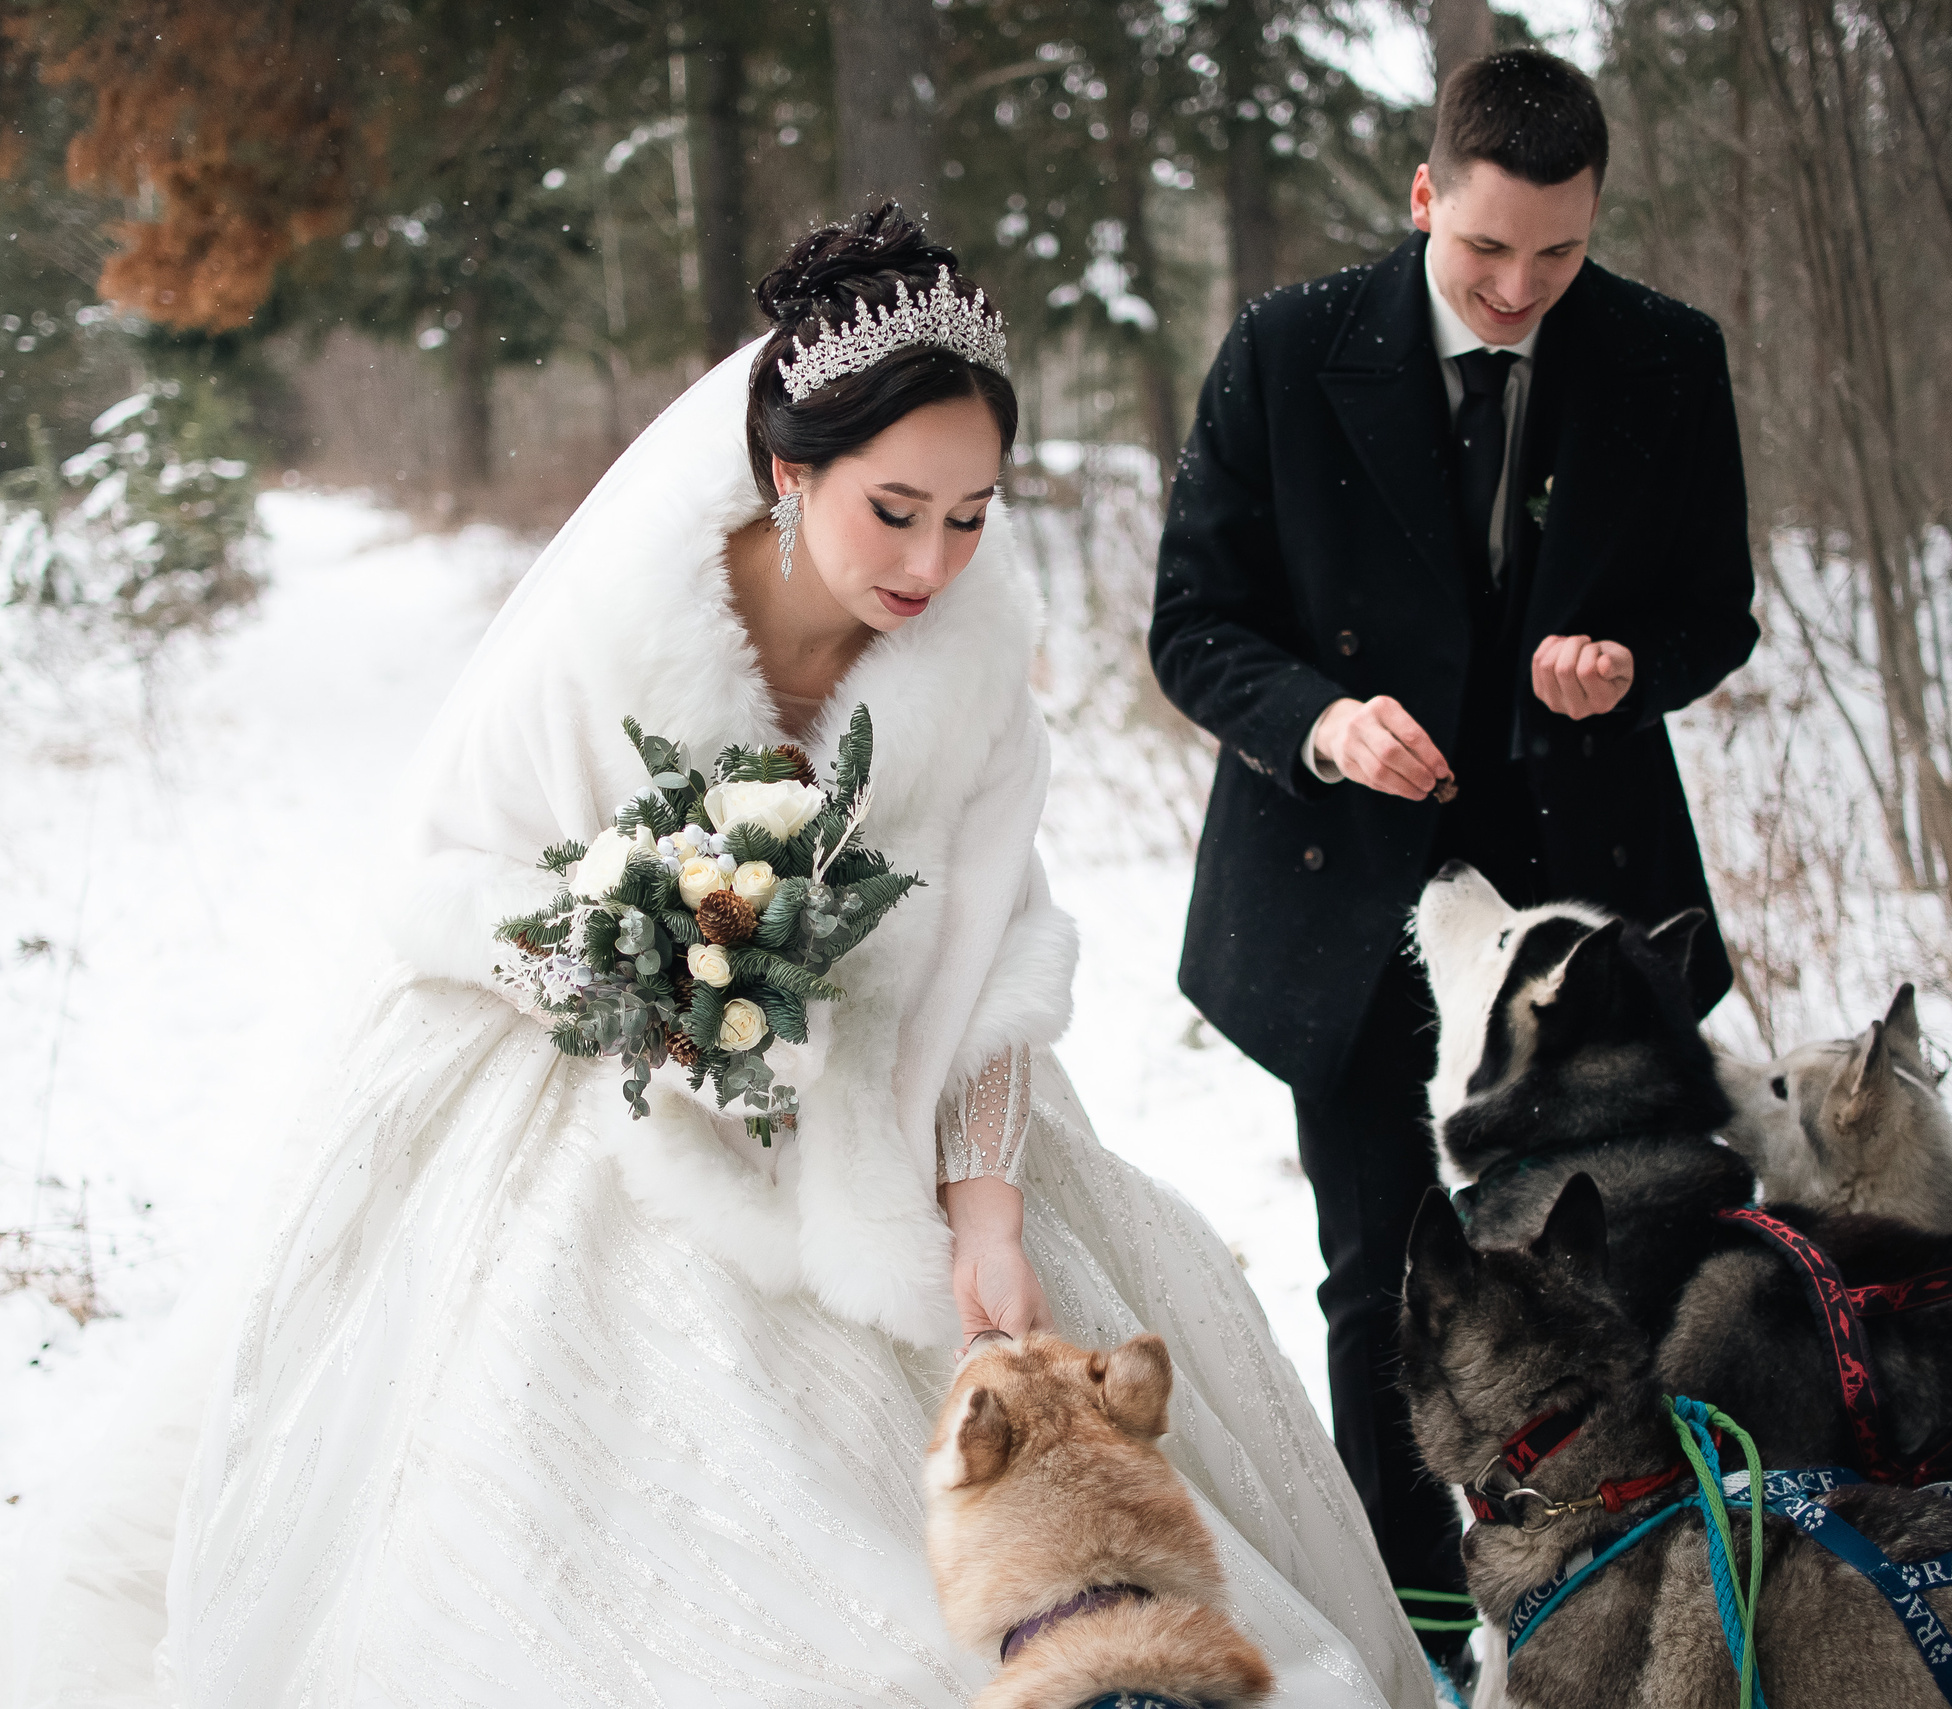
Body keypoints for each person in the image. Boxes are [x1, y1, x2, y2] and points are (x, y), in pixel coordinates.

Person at [124, 206, 1437, 1708]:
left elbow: (996, 958)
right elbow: (450, 885)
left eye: (972, 514)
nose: (933, 560)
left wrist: (987, 1205)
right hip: (608, 1094)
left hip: (900, 1091)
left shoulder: (973, 673)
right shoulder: (620, 625)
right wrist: (645, 970)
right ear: (788, 470)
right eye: (892, 508)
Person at [1149, 48, 1759, 1664]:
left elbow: (1717, 607)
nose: (1516, 289)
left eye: (1557, 256)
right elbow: (1194, 624)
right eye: (1485, 250)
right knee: (1387, 1265)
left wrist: (1631, 664)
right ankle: (1426, 1621)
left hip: (1581, 902)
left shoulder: (1665, 357)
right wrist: (1324, 721)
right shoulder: (1287, 353)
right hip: (1346, 882)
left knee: (1617, 1256)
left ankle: (1626, 1603)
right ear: (1425, 195)